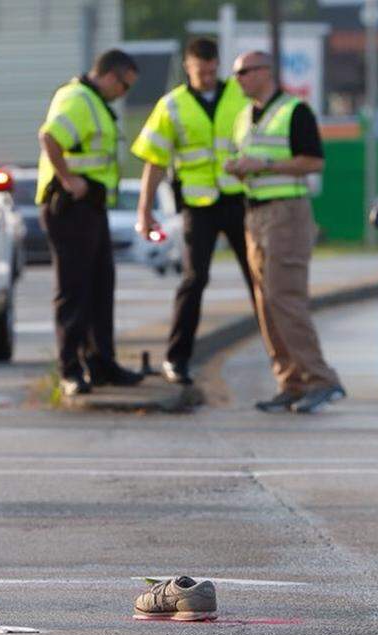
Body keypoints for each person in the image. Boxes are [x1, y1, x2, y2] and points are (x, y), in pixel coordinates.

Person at [225, 51, 345, 414]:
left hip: (287, 213)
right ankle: (290, 381)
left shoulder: (295, 111)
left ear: (265, 72)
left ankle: (321, 379)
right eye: (236, 73)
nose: (239, 79)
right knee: (265, 300)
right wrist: (241, 168)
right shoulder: (245, 117)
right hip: (255, 213)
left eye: (245, 72)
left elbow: (314, 161)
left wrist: (263, 165)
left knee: (285, 296)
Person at [131, 37, 254, 386]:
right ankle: (177, 359)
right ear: (188, 67)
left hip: (238, 200)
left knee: (259, 280)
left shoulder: (239, 96)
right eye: (201, 72)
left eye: (213, 71)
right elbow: (154, 162)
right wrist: (145, 211)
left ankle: (282, 359)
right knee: (194, 280)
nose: (207, 77)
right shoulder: (171, 106)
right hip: (199, 207)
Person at [37, 49, 144, 397]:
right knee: (75, 290)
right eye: (125, 86)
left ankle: (101, 364)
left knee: (100, 286)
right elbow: (50, 137)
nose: (124, 94)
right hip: (71, 207)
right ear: (112, 75)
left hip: (92, 208)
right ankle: (70, 369)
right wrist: (69, 179)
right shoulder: (78, 99)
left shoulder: (94, 102)